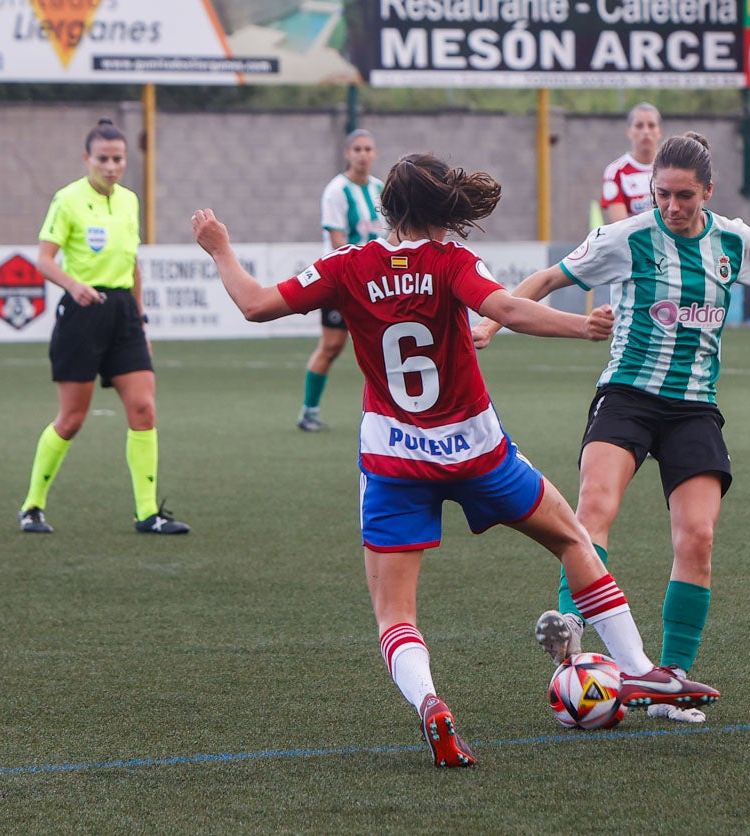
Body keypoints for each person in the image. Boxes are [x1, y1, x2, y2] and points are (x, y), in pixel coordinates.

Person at [191, 153, 720, 768]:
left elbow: (254, 304)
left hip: (392, 459)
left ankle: (431, 705)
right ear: (444, 208)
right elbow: (508, 310)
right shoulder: (451, 263)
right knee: (574, 541)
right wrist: (582, 328)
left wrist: (219, 247)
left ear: (390, 209)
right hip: (475, 450)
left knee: (396, 615)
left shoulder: (347, 265)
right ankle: (639, 671)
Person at [474, 133, 750, 724]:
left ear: (708, 191)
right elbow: (548, 279)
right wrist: (492, 327)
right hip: (626, 396)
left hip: (694, 408)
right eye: (661, 195)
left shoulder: (732, 239)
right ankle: (572, 647)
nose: (672, 207)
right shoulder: (626, 238)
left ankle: (670, 680)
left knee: (697, 537)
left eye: (684, 196)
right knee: (593, 509)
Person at [17, 117, 189, 535]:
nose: (111, 166)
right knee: (72, 418)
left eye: (119, 159)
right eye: (103, 159)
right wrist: (74, 286)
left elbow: (133, 264)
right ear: (86, 159)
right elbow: (43, 259)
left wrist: (141, 315)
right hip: (82, 313)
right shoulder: (67, 200)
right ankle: (32, 506)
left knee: (144, 409)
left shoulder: (129, 201)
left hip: (124, 314)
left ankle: (148, 513)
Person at [297, 129, 387, 432]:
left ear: (375, 154)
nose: (363, 154)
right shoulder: (336, 190)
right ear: (347, 154)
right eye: (357, 149)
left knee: (385, 344)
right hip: (342, 282)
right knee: (332, 345)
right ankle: (309, 411)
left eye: (368, 149)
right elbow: (338, 242)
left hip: (377, 283)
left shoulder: (380, 190)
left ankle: (392, 413)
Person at [600, 103, 662, 224]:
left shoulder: (672, 166)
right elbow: (621, 227)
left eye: (651, 125)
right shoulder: (615, 172)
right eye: (639, 126)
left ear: (659, 131)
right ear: (629, 131)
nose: (646, 131)